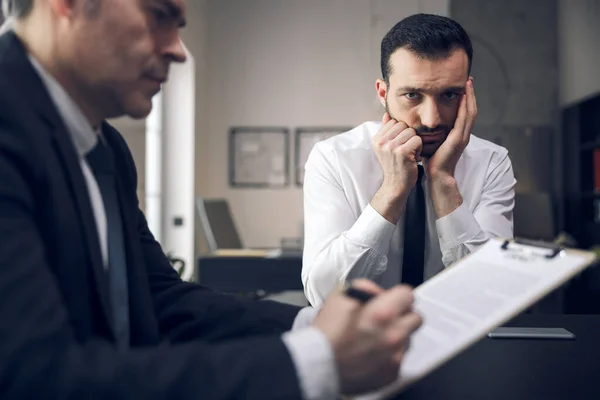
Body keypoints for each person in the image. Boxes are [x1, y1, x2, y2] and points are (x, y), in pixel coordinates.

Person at [0, 0, 423, 399]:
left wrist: (313, 326)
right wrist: (315, 360)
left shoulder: (105, 146)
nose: (178, 50)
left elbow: (158, 299)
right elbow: (34, 377)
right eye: (158, 15)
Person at [302, 13, 516, 307]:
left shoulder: (492, 162)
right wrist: (392, 189)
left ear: (468, 93)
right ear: (383, 92)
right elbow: (323, 296)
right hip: (363, 345)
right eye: (413, 95)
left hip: (458, 339)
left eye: (449, 95)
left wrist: (442, 180)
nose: (431, 119)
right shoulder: (334, 158)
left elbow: (493, 296)